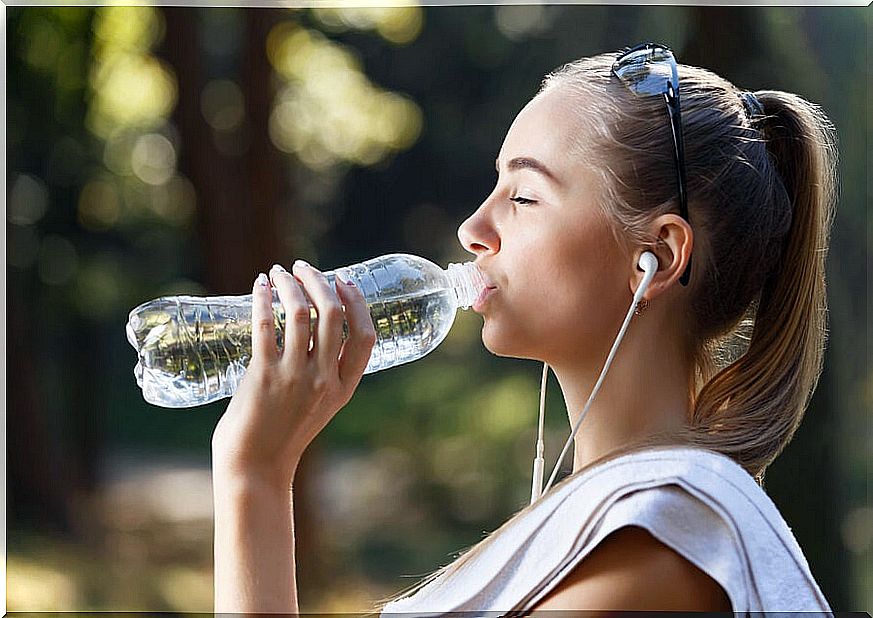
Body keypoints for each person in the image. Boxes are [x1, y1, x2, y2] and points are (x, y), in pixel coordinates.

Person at [210, 42, 837, 614]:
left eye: (525, 196)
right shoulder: (615, 518)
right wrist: (253, 470)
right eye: (496, 186)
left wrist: (256, 477)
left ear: (660, 256)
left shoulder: (661, 541)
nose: (473, 230)